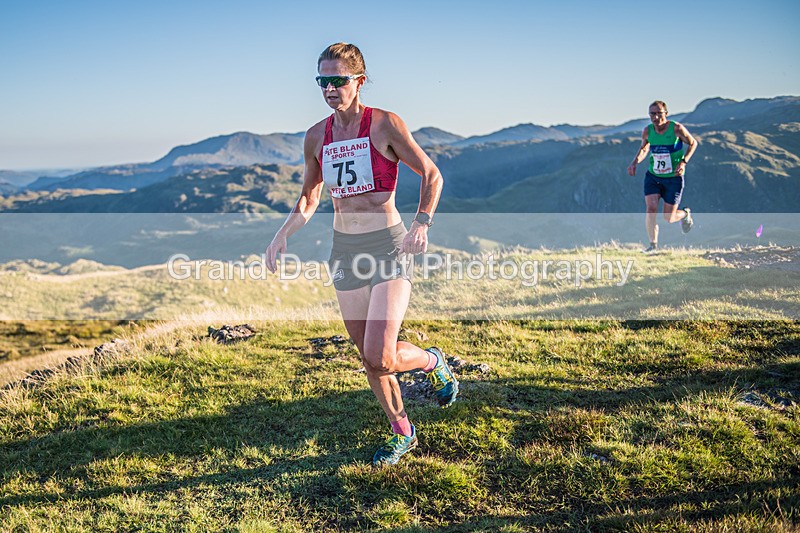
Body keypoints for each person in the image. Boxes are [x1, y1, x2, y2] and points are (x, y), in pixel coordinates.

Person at [264, 42, 459, 466]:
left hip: (388, 245)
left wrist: (422, 222)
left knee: (381, 354)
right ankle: (402, 431)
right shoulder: (317, 136)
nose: (330, 89)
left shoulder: (385, 125)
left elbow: (431, 174)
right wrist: (281, 235)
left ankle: (431, 361)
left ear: (359, 81)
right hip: (344, 250)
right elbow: (309, 198)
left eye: (338, 80)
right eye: (323, 81)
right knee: (367, 356)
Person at [627, 100, 698, 252]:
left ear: (666, 114)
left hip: (673, 178)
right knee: (651, 209)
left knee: (669, 218)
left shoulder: (676, 129)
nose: (656, 117)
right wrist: (634, 162)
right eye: (652, 114)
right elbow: (644, 149)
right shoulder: (648, 131)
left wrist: (684, 162)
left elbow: (693, 143)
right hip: (653, 176)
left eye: (659, 113)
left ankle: (685, 214)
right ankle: (653, 245)